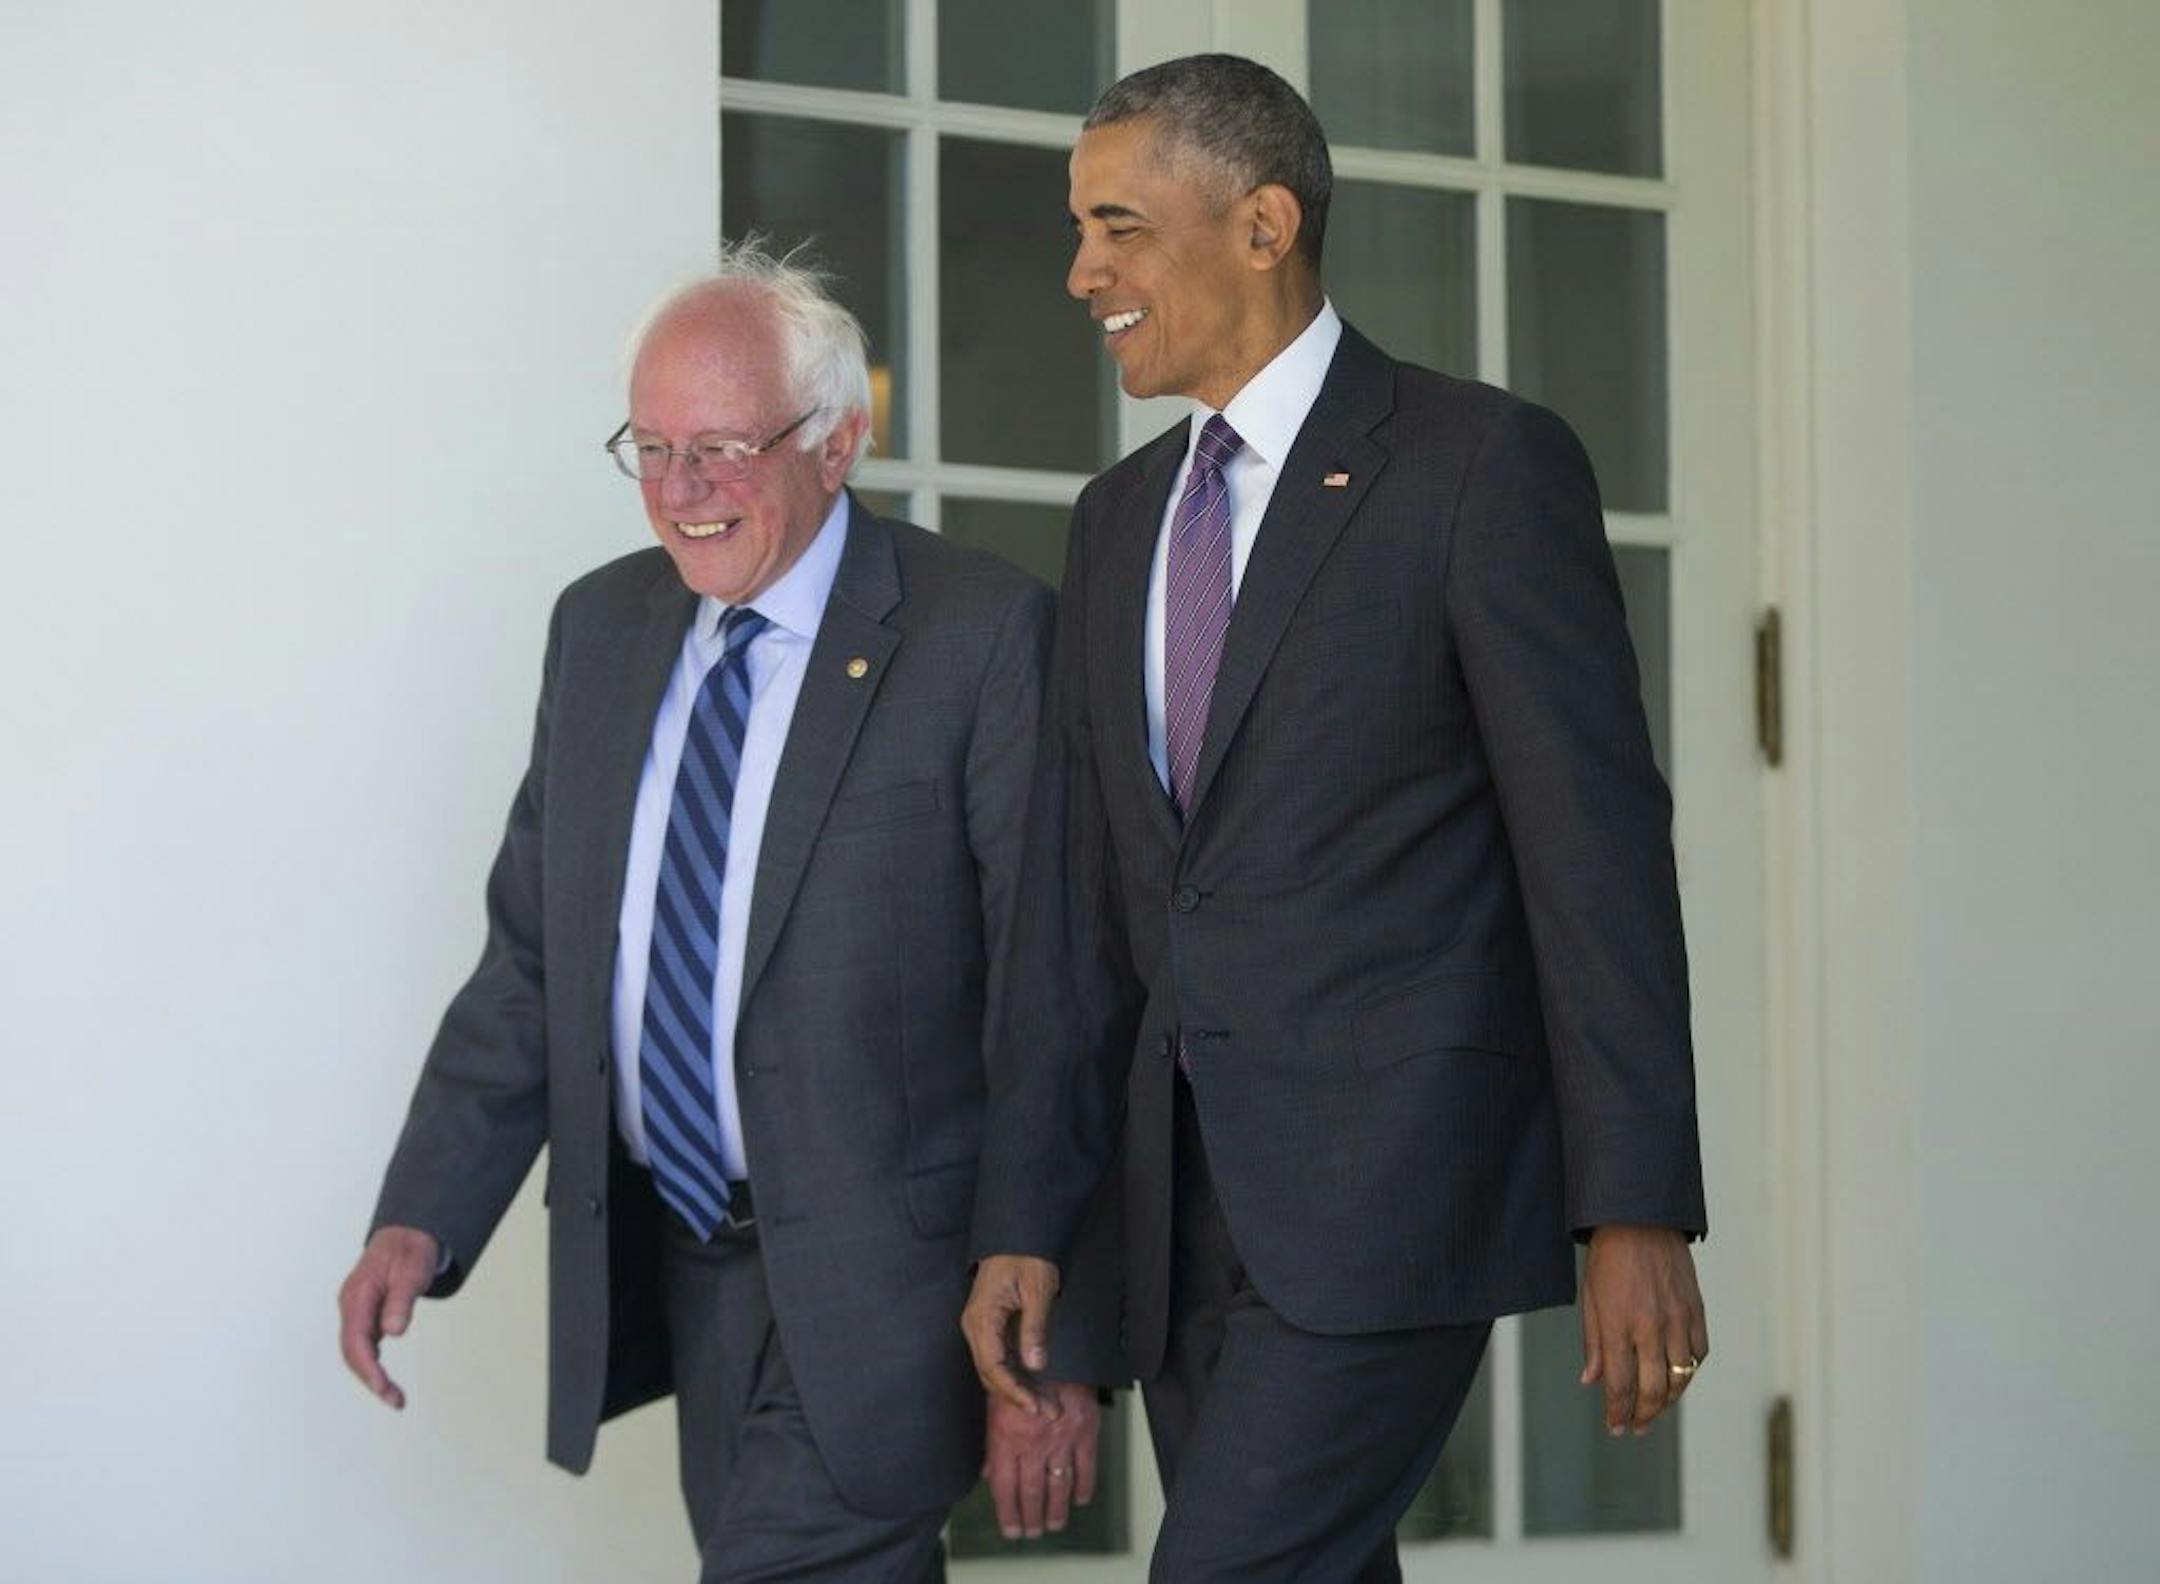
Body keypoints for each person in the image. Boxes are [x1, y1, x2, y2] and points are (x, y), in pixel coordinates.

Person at [963, 54, 1709, 1582]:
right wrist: (1028, 1217)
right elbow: (1077, 906)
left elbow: (1598, 858)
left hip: (1390, 1197)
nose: (1080, 271)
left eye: (1118, 226)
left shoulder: (1479, 469)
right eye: (1077, 227)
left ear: (1262, 224)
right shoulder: (1115, 527)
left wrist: (1635, 1209)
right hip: (1178, 1221)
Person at [338, 243, 1118, 1581]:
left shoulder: (982, 639)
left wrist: (1058, 1349)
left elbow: (1054, 1005)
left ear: (838, 441)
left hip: (901, 1291)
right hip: (689, 1265)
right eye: (651, 448)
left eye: (722, 449)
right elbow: (537, 959)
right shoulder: (601, 631)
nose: (682, 493)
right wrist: (423, 1212)